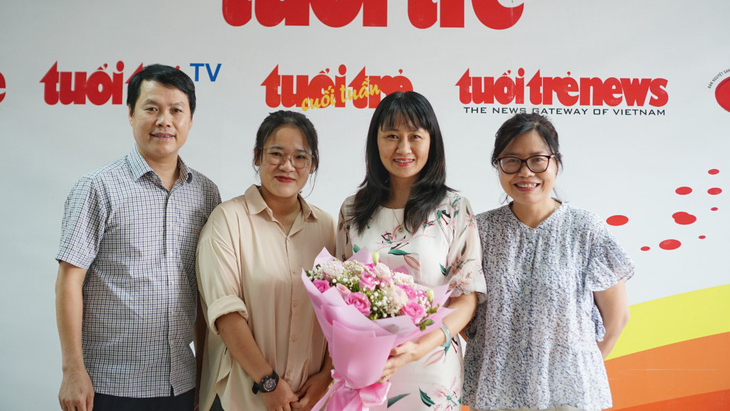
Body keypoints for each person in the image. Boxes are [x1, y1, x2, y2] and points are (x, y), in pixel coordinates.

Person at [55, 64, 221, 411]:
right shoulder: (98, 188)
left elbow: (206, 294)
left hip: (181, 383)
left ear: (190, 120)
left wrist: (206, 377)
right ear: (131, 114)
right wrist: (72, 370)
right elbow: (69, 282)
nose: (164, 120)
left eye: (176, 110)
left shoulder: (205, 194)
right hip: (109, 384)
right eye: (152, 108)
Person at [462, 113, 636, 411]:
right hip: (497, 395)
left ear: (556, 162)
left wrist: (576, 373)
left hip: (569, 399)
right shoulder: (478, 231)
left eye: (537, 159)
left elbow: (617, 319)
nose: (525, 172)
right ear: (498, 166)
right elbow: (466, 316)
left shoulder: (586, 229)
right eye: (512, 160)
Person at [336, 91, 486, 410]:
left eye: (415, 136)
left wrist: (418, 348)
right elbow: (338, 294)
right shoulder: (352, 210)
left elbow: (466, 296)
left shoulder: (454, 209)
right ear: (375, 142)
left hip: (431, 370)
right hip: (366, 372)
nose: (403, 148)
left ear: (432, 142)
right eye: (392, 136)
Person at [196, 111, 335, 411]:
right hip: (241, 397)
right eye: (276, 154)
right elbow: (225, 314)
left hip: (309, 402)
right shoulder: (227, 221)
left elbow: (340, 316)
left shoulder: (328, 228)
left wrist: (326, 376)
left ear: (312, 165)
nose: (287, 166)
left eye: (300, 157)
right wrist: (268, 383)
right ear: (257, 157)